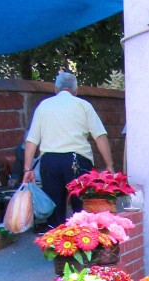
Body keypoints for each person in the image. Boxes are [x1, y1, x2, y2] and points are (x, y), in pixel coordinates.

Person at [22, 72, 113, 226]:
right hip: (77, 161)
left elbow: (31, 140)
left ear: (55, 90)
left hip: (49, 163)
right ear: (75, 90)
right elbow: (100, 136)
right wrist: (109, 164)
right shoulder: (84, 105)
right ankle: (84, 246)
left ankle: (56, 247)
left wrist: (27, 169)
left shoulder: (44, 106)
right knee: (82, 210)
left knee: (54, 210)